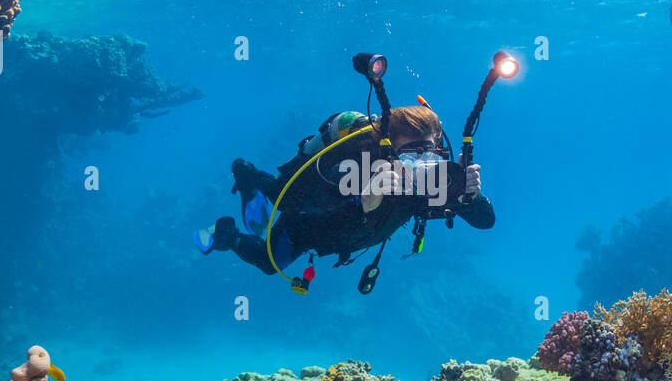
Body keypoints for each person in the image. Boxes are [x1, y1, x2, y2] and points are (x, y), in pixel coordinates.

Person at [196, 105, 494, 275]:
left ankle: (250, 176)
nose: (418, 168)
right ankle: (230, 231)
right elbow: (302, 210)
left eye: (428, 156)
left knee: (277, 195)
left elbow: (486, 222)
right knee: (270, 260)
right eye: (409, 157)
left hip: (354, 236)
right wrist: (363, 201)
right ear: (386, 149)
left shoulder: (429, 176)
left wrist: (469, 198)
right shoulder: (354, 163)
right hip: (307, 226)